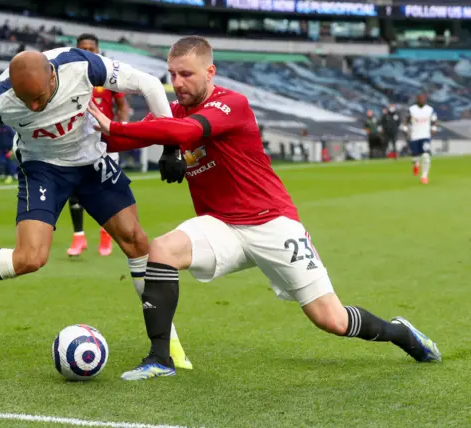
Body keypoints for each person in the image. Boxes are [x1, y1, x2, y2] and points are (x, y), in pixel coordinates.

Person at [87, 35, 441, 381]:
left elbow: (186, 132)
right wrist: (89, 120)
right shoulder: (172, 112)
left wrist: (133, 132)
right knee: (161, 250)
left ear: (210, 73)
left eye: (187, 74)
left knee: (332, 320)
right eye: (172, 75)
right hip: (221, 225)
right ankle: (159, 359)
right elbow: (123, 136)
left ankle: (401, 333)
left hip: (272, 223)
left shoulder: (232, 103)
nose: (177, 83)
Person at [0, 47, 192, 370]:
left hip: (91, 159)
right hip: (42, 167)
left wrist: (171, 146)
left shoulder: (81, 65)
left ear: (52, 75)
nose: (33, 106)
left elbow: (149, 83)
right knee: (30, 258)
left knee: (136, 240)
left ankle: (168, 343)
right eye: (26, 101)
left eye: (38, 97)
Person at [67, 34, 131, 257]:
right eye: (82, 47)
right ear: (77, 49)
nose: (87, 51)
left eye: (90, 48)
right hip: (76, 140)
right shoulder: (68, 75)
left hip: (105, 141)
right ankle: (79, 238)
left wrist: (121, 128)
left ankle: (106, 235)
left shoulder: (108, 75)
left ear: (97, 50)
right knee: (74, 189)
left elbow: (122, 104)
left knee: (105, 188)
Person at [404, 94, 437, 184]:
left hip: (425, 136)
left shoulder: (429, 109)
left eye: (423, 99)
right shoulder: (412, 109)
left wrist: (434, 128)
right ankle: (416, 164)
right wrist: (405, 129)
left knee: (426, 156)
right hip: (414, 136)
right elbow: (406, 120)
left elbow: (434, 120)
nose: (421, 100)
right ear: (417, 99)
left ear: (425, 100)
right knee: (415, 157)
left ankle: (424, 176)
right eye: (420, 99)